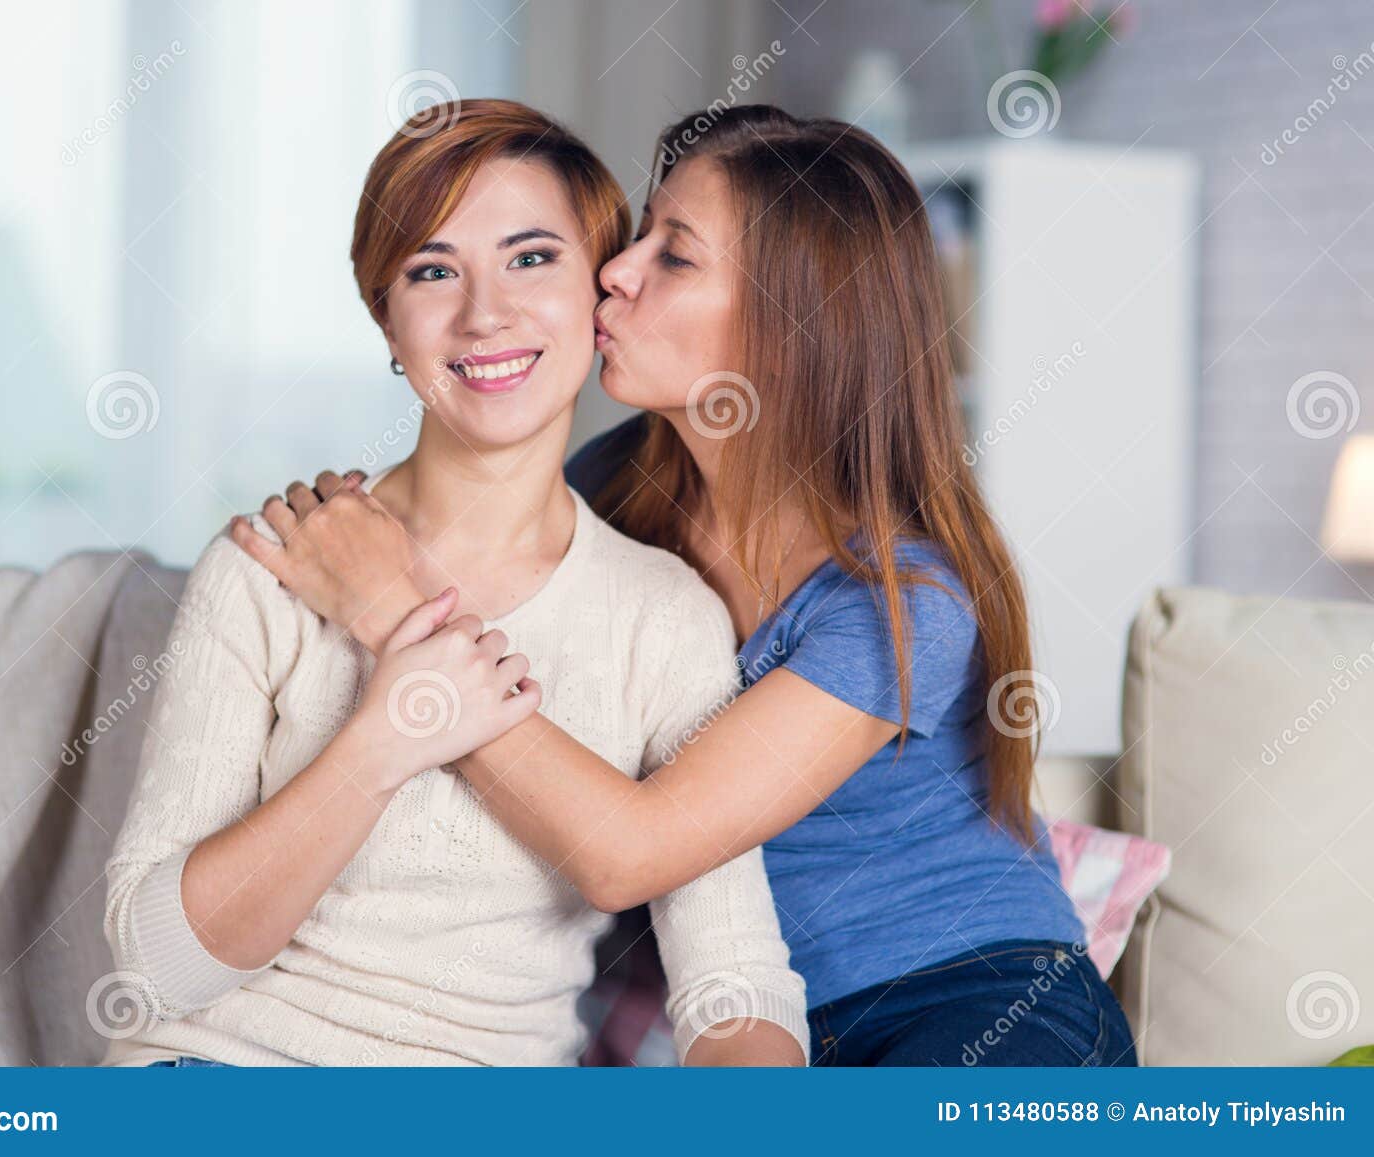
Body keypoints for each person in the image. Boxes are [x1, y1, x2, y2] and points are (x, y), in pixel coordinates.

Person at [234, 104, 1137, 1067]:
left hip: (977, 1003)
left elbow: (631, 852)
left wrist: (387, 608)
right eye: (643, 233)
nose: (614, 269)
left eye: (675, 255)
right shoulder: (617, 483)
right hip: (766, 1024)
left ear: (790, 326)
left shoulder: (896, 601)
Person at [101, 99, 808, 1068]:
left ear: (599, 297)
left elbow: (731, 980)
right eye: (433, 271)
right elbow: (155, 964)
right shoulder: (273, 565)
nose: (485, 313)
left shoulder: (663, 614)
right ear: (387, 321)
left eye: (530, 258)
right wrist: (381, 741)